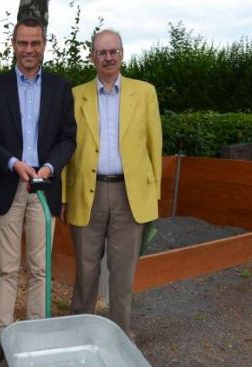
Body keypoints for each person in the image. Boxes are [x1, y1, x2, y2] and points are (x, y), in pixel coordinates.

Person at [0, 17, 75, 365]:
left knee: (39, 268)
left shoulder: (61, 89)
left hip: (44, 188)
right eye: (23, 43)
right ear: (13, 44)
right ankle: (3, 336)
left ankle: (35, 333)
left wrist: (49, 167)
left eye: (35, 43)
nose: (29, 50)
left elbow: (68, 139)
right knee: (6, 267)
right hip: (9, 184)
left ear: (44, 45)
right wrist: (14, 162)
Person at [61, 29, 162, 337]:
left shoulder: (144, 92)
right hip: (85, 194)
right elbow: (65, 145)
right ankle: (80, 332)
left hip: (129, 195)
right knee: (86, 271)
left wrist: (152, 194)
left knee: (123, 271)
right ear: (92, 57)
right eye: (101, 52)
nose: (108, 57)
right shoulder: (76, 95)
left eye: (113, 51)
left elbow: (154, 145)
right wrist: (64, 195)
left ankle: (121, 335)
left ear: (122, 53)